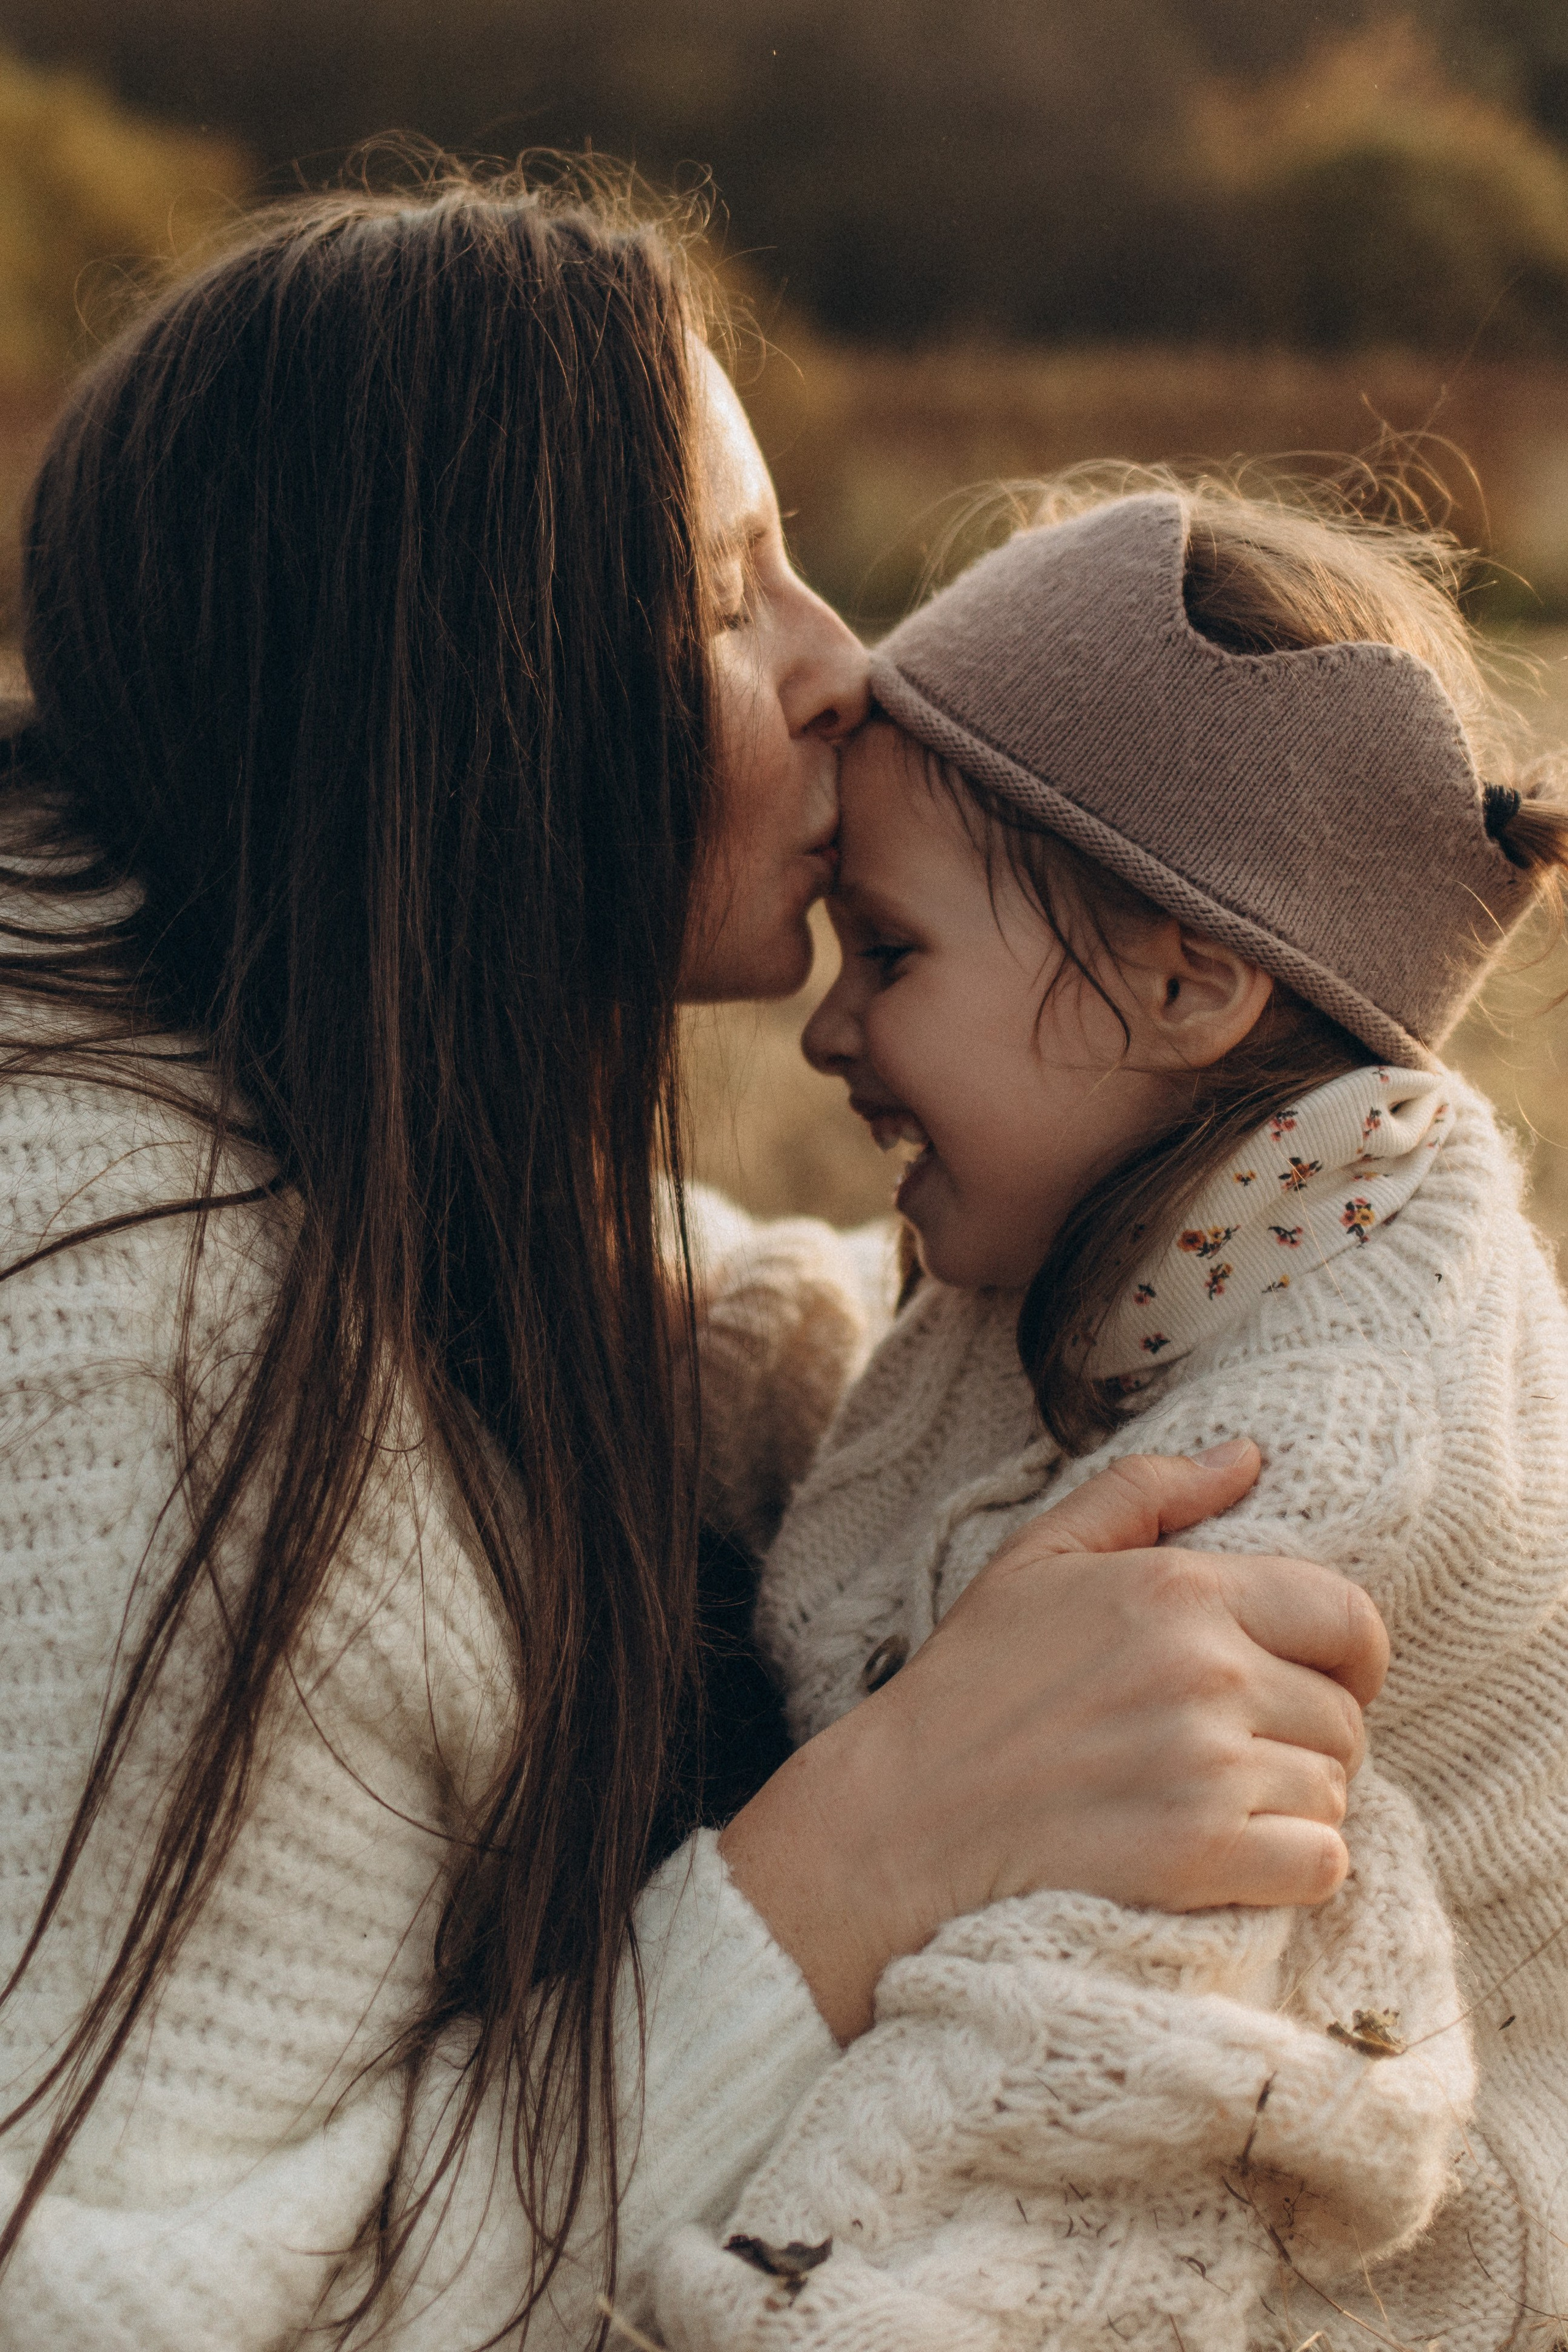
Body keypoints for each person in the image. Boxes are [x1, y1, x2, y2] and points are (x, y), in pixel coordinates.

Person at [0, 181, 1385, 2351]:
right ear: (460, 697)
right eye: (733, 594)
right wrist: (866, 1856)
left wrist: (1233, 1314)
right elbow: (124, 2310)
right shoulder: (148, 1334)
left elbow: (656, 1304)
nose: (848, 667)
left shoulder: (267, 1078)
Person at [654, 480, 1568, 2352]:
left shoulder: (1327, 1443)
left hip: (1383, 2246)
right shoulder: (1156, 1226)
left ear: (1183, 980)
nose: (828, 1031)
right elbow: (872, 1413)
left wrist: (788, 2298)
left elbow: (1090, 2036)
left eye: (891, 952)